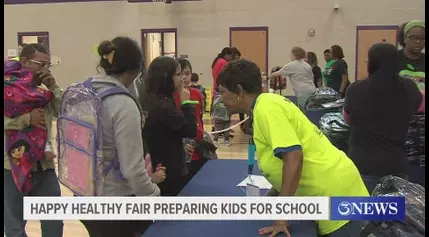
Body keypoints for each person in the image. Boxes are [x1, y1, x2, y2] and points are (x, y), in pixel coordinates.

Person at [217, 59, 369, 237]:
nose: (220, 98)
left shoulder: (266, 108)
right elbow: (282, 160)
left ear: (239, 91)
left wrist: (282, 216)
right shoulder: (265, 104)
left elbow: (293, 156)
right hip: (335, 188)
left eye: (223, 92)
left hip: (335, 195)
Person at [77, 37, 165, 237]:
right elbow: (132, 169)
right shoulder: (122, 105)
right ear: (136, 70)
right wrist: (153, 195)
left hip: (85, 193)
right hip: (115, 200)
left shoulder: (85, 90)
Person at [343, 43, 424, 193]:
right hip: (396, 164)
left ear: (372, 62)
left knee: (365, 212)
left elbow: (347, 119)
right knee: (393, 214)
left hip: (363, 163)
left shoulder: (356, 89)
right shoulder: (409, 87)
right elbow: (419, 106)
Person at [4, 43, 64, 237]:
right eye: (41, 64)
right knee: (14, 227)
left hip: (44, 166)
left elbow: (64, 110)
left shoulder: (44, 91)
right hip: (12, 167)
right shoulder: (7, 88)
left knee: (53, 224)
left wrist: (54, 86)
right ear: (24, 61)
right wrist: (26, 120)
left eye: (48, 65)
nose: (45, 69)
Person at [140, 56, 198, 196]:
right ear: (166, 77)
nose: (182, 79)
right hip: (167, 170)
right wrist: (186, 104)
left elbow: (164, 131)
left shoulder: (147, 97)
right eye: (178, 75)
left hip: (155, 162)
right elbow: (191, 130)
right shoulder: (164, 105)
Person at [174, 58, 206, 181]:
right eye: (180, 74)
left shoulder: (197, 94)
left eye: (187, 74)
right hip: (182, 146)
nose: (184, 78)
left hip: (197, 143)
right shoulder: (172, 96)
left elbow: (199, 116)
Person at [269, 46, 316, 111]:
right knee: (311, 112)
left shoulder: (291, 65)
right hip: (312, 90)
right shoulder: (307, 65)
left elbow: (277, 73)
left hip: (302, 92)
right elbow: (311, 77)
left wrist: (266, 77)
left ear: (294, 55)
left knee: (304, 112)